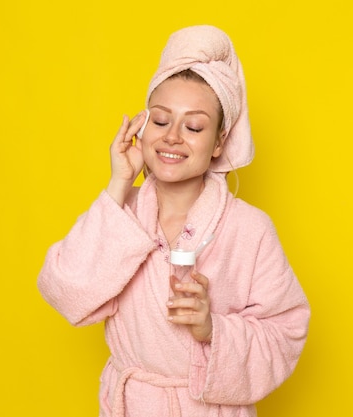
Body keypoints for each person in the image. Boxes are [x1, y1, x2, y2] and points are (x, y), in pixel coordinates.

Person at [37, 25, 310, 417]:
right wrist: (119, 183)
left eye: (195, 126)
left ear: (219, 142)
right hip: (133, 406)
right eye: (161, 120)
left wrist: (212, 329)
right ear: (142, 127)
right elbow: (64, 290)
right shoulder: (122, 213)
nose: (173, 137)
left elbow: (285, 332)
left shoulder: (250, 229)